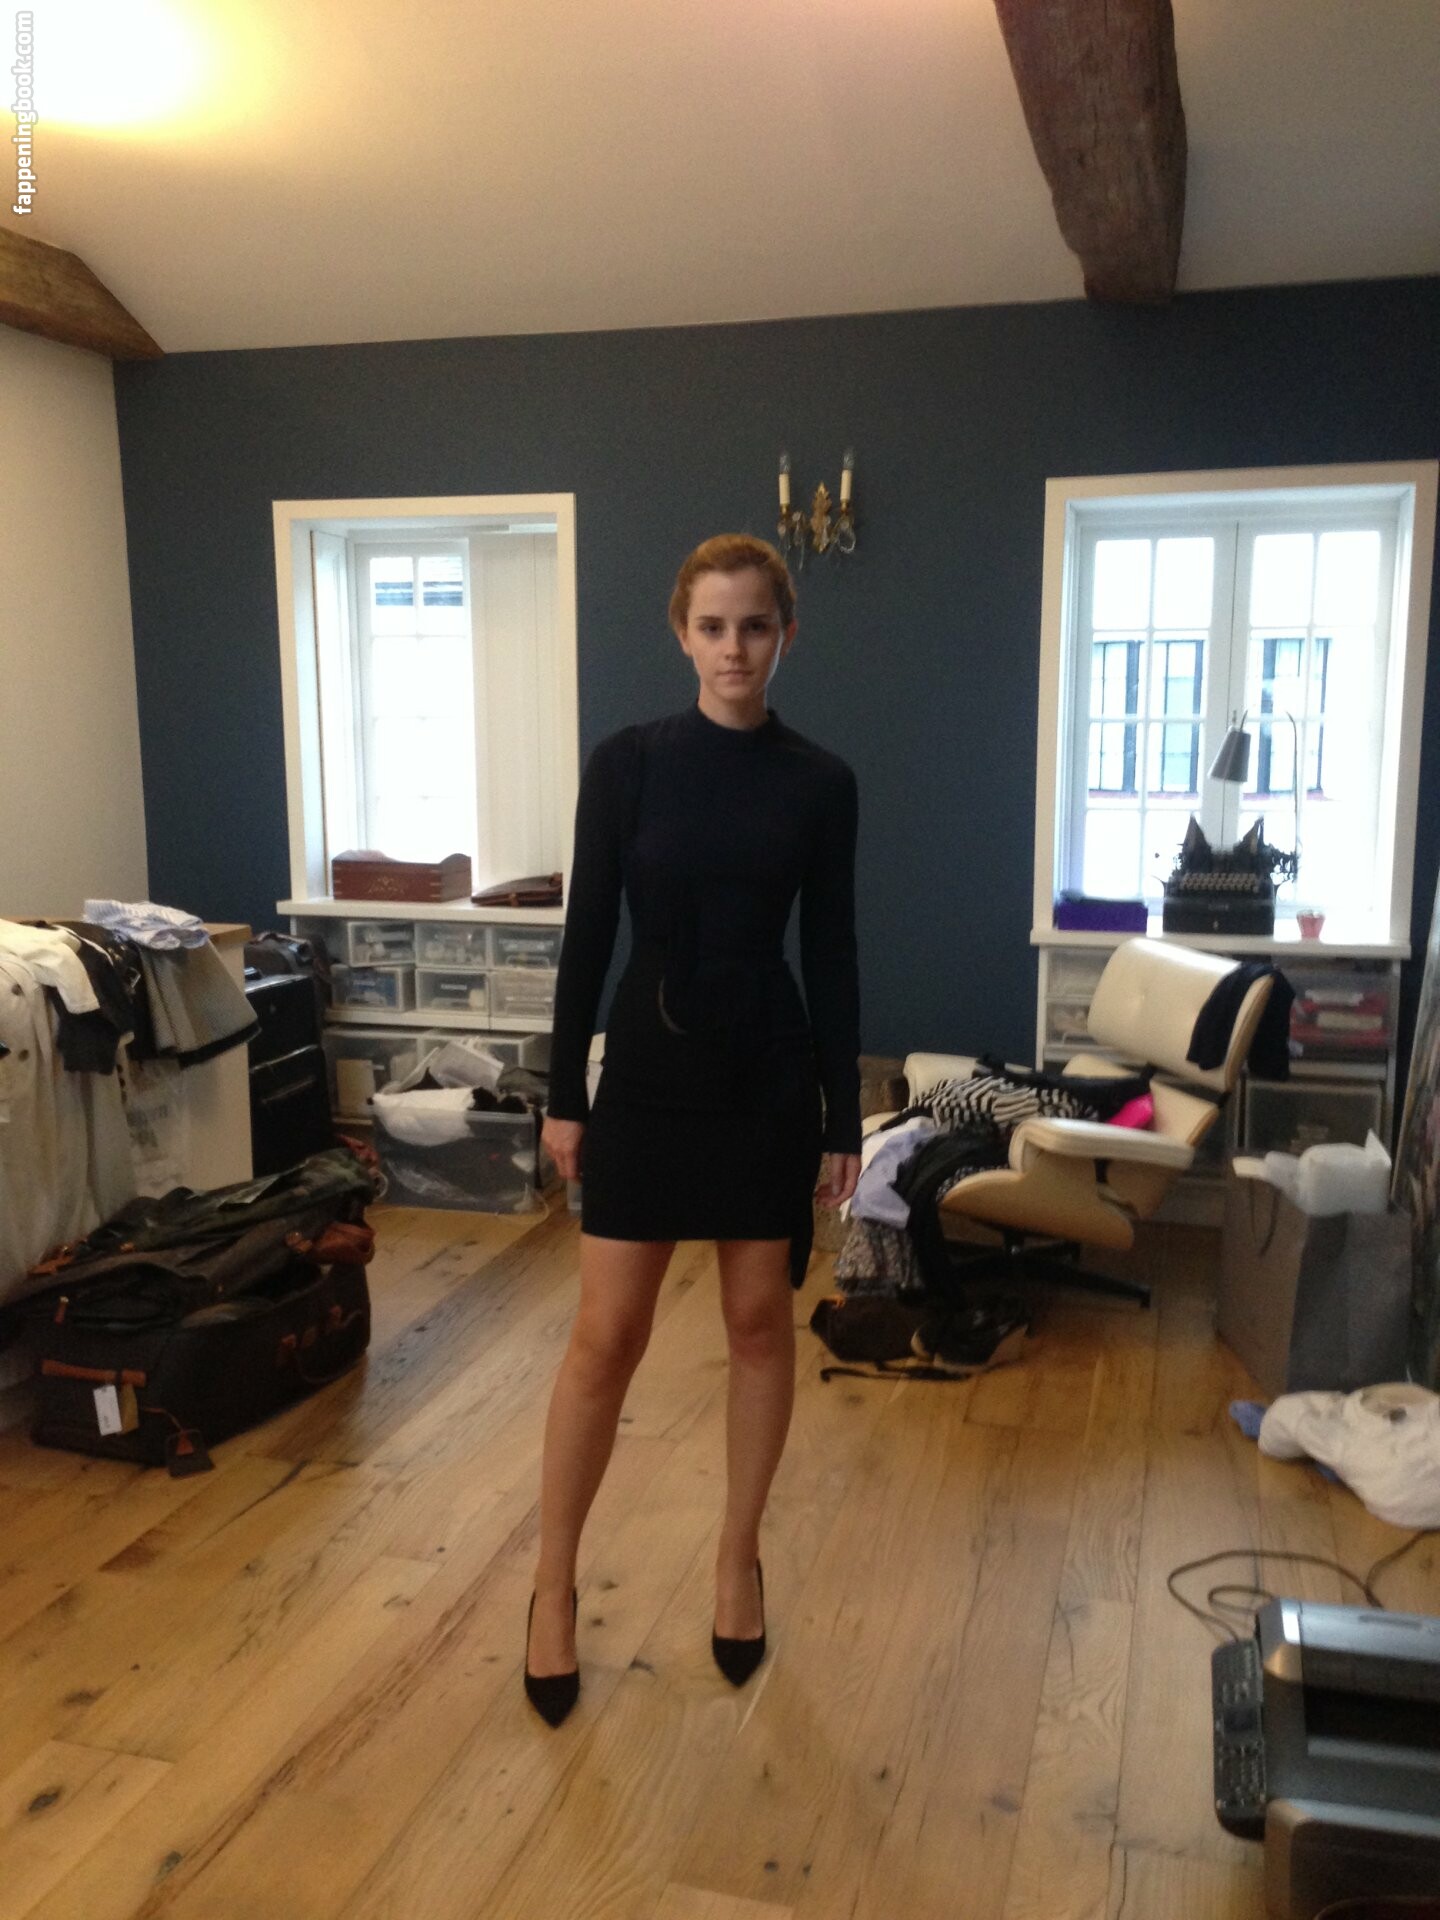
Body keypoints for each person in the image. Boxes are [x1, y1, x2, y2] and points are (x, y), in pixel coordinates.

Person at [524, 533, 863, 1726]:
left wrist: (841, 1114)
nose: (734, 648)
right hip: (650, 1075)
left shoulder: (820, 782)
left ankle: (736, 1560)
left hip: (765, 1075)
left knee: (759, 1324)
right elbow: (587, 935)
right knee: (604, 1337)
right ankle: (552, 1586)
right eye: (713, 627)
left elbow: (831, 949)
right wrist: (563, 1093)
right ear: (682, 633)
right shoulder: (626, 765)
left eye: (755, 626)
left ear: (785, 635)